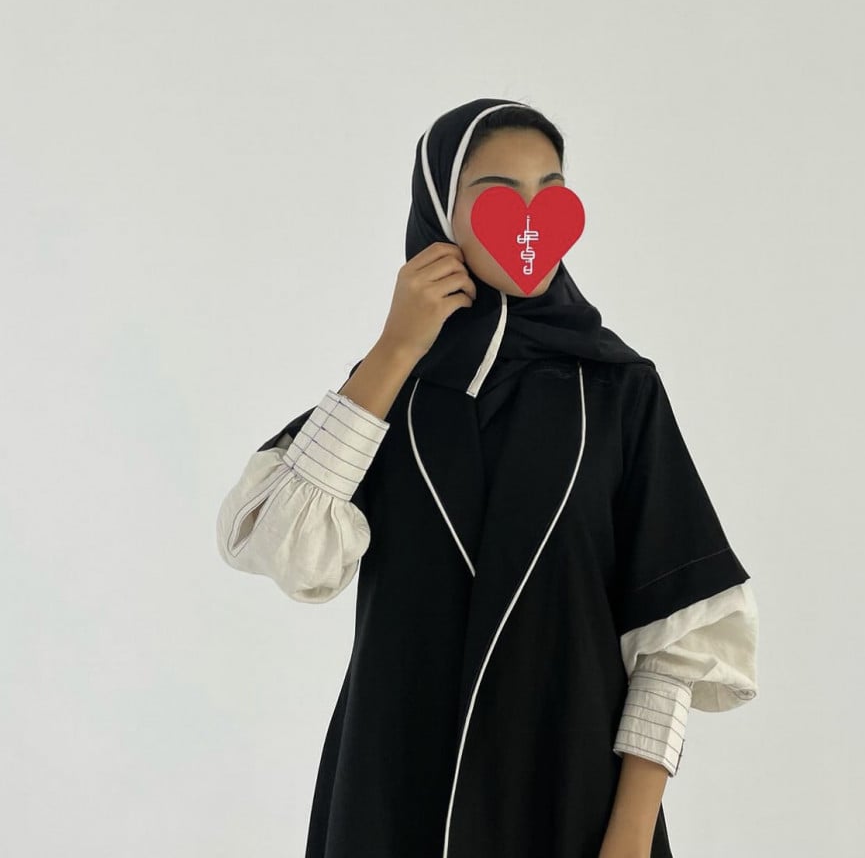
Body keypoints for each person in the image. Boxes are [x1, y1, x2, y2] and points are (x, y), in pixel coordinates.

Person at [216, 97, 759, 858]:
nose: (530, 219)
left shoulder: (617, 391)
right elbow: (289, 550)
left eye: (551, 191)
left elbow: (673, 639)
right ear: (441, 212)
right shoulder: (384, 398)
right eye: (497, 194)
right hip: (392, 791)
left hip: (570, 798)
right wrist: (396, 347)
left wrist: (631, 834)